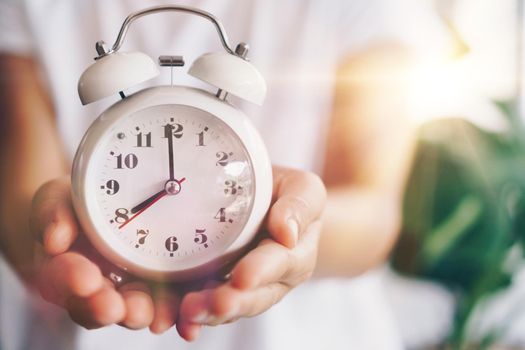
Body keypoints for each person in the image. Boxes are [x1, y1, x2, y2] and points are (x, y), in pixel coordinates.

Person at [0, 0, 448, 349]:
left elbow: (376, 211)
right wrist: (54, 231)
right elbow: (22, 200)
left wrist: (278, 228)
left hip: (304, 338)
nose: (174, 186)